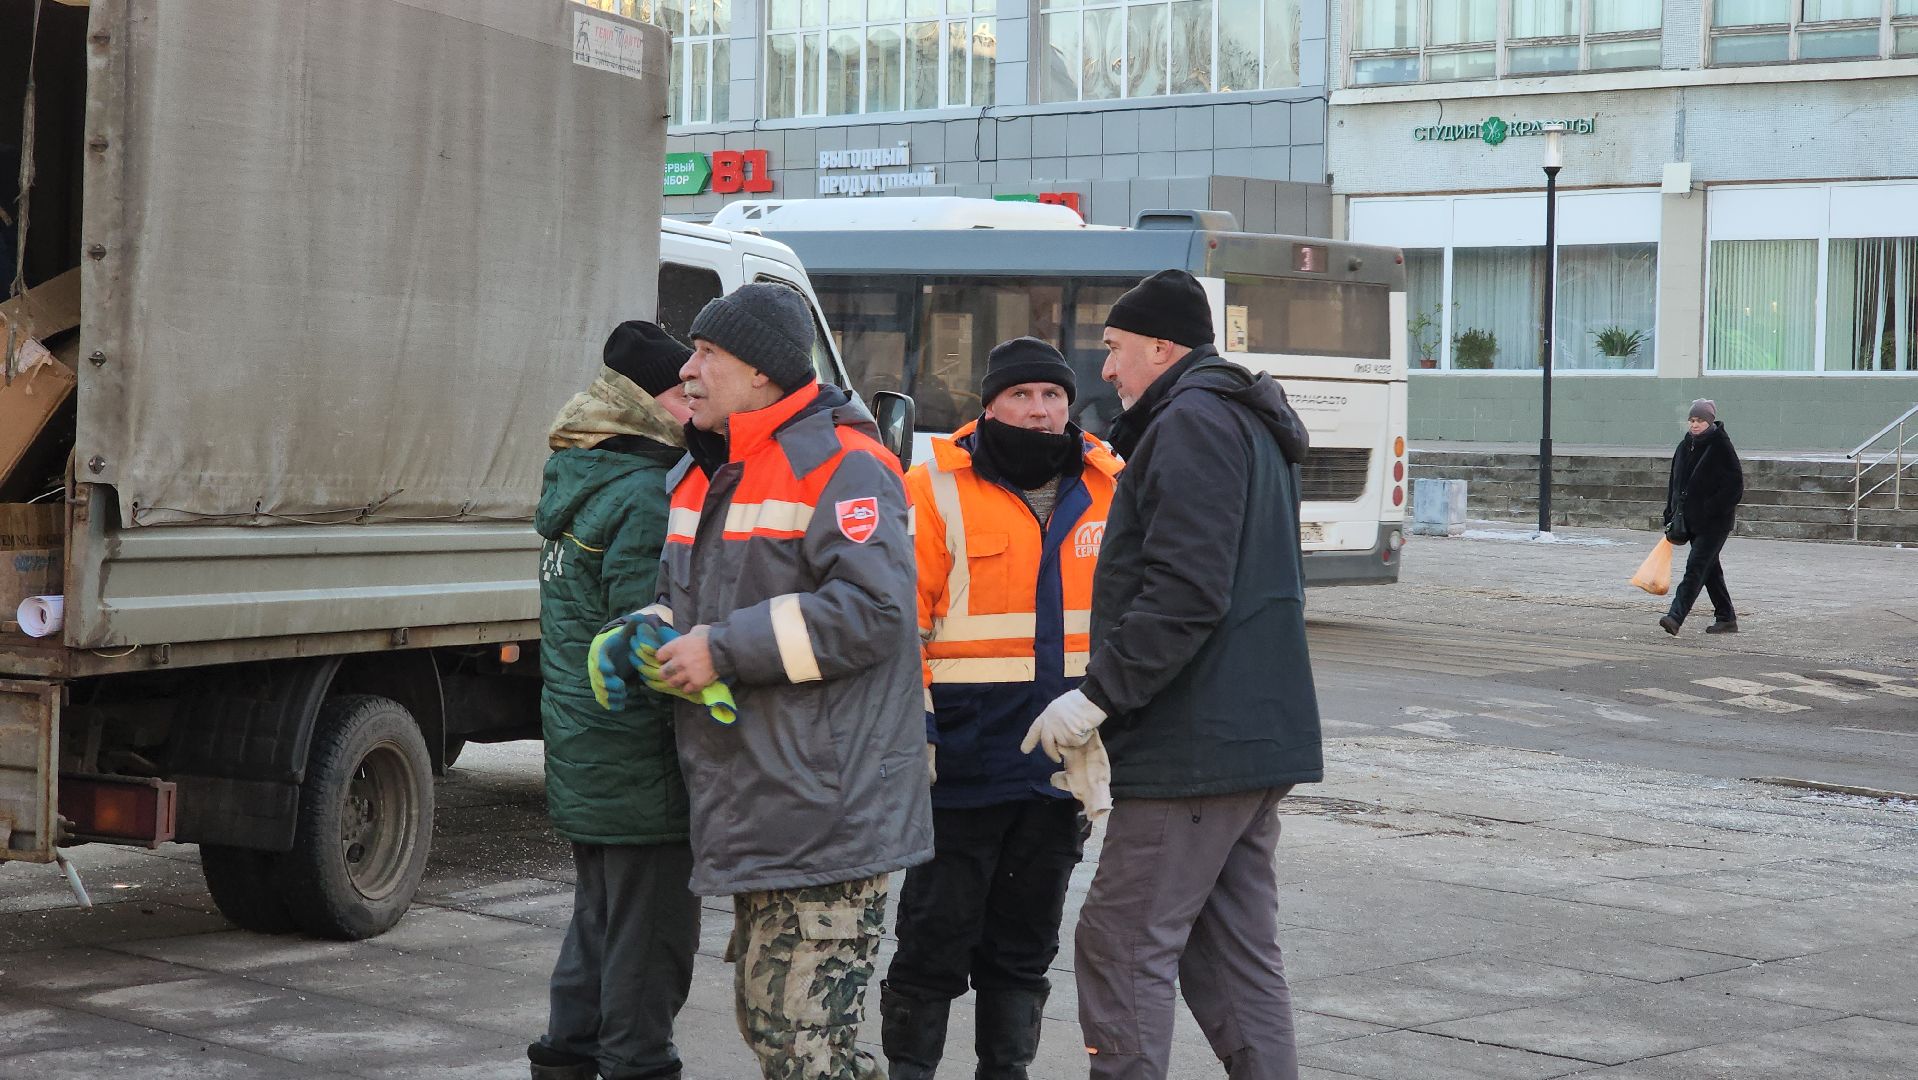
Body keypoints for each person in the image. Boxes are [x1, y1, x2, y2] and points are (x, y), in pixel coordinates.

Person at [1021, 269, 1322, 1080]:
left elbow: (1187, 590)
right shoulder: (1241, 419)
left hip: (1196, 746)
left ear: (1163, 346)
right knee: (1230, 953)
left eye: (1115, 351)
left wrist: (1098, 695)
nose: (1106, 371)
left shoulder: (1190, 421)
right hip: (1250, 737)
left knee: (1119, 943)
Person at [640, 282, 934, 1079]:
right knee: (781, 1033)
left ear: (766, 375)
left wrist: (722, 650)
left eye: (707, 354)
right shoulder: (700, 472)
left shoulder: (846, 465)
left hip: (830, 812)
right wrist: (651, 634)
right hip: (764, 800)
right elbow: (687, 604)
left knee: (805, 1048)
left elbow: (874, 612)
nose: (687, 368)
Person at [882, 338, 1123, 1079]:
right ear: (989, 405)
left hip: (1061, 764)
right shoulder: (932, 488)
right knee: (933, 937)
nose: (1040, 410)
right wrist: (915, 732)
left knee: (1025, 945)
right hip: (959, 759)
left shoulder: (1111, 486)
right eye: (1022, 396)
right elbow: (901, 626)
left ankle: (1005, 1071)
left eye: (1053, 396)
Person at [530, 322, 701, 1080]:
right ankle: (637, 1064)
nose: (695, 406)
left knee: (600, 924)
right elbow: (646, 635)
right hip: (639, 753)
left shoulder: (582, 476)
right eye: (680, 394)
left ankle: (568, 1059)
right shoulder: (644, 494)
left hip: (587, 744)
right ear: (644, 406)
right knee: (650, 939)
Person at [1660, 399, 1744, 636]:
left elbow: (1734, 486)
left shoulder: (1721, 446)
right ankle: (1726, 618)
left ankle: (1675, 617)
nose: (1695, 425)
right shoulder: (1685, 446)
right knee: (1710, 570)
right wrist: (1670, 511)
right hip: (1690, 521)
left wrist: (1710, 509)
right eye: (1692, 420)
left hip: (1714, 523)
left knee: (1695, 568)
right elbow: (1674, 483)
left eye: (1700, 421)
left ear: (1710, 422)